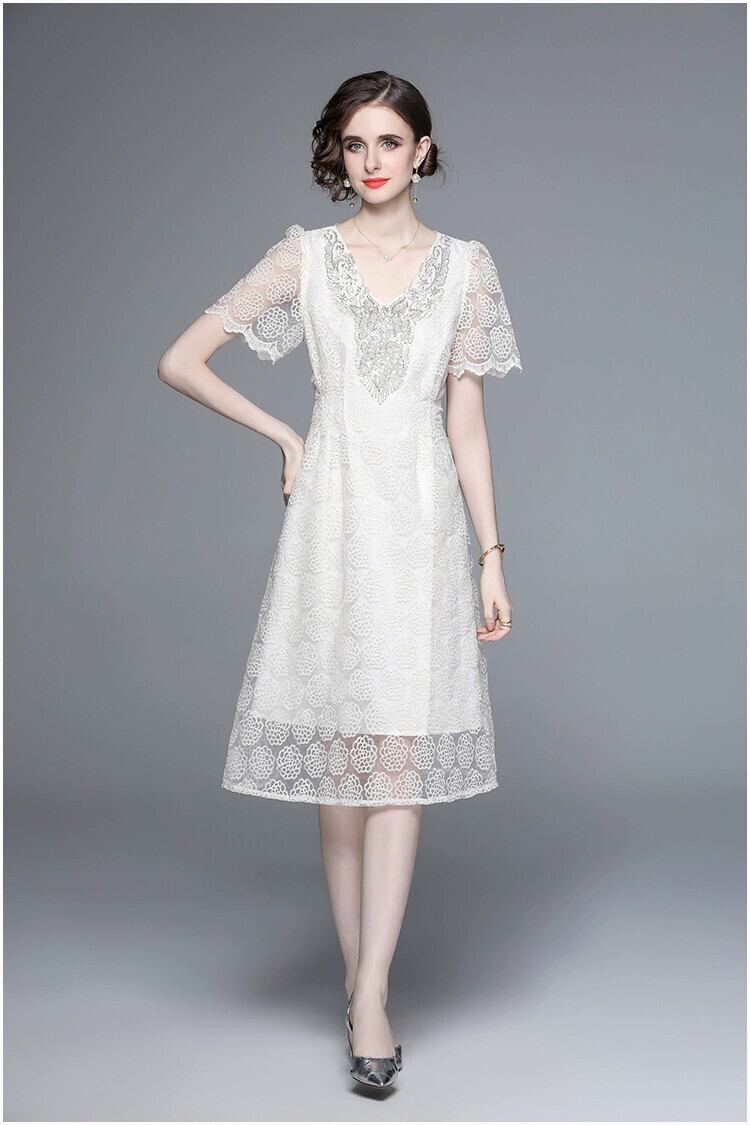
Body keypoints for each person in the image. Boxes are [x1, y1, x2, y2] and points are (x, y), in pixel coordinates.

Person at [157, 69, 523, 1091]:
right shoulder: (306, 258)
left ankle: (369, 992)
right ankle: (362, 984)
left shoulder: (467, 268)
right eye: (355, 144)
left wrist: (492, 554)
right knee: (340, 766)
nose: (371, 161)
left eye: (389, 142)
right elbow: (182, 359)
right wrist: (284, 435)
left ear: (423, 150)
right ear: (339, 152)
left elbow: (467, 424)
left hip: (423, 529)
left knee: (398, 758)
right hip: (333, 523)